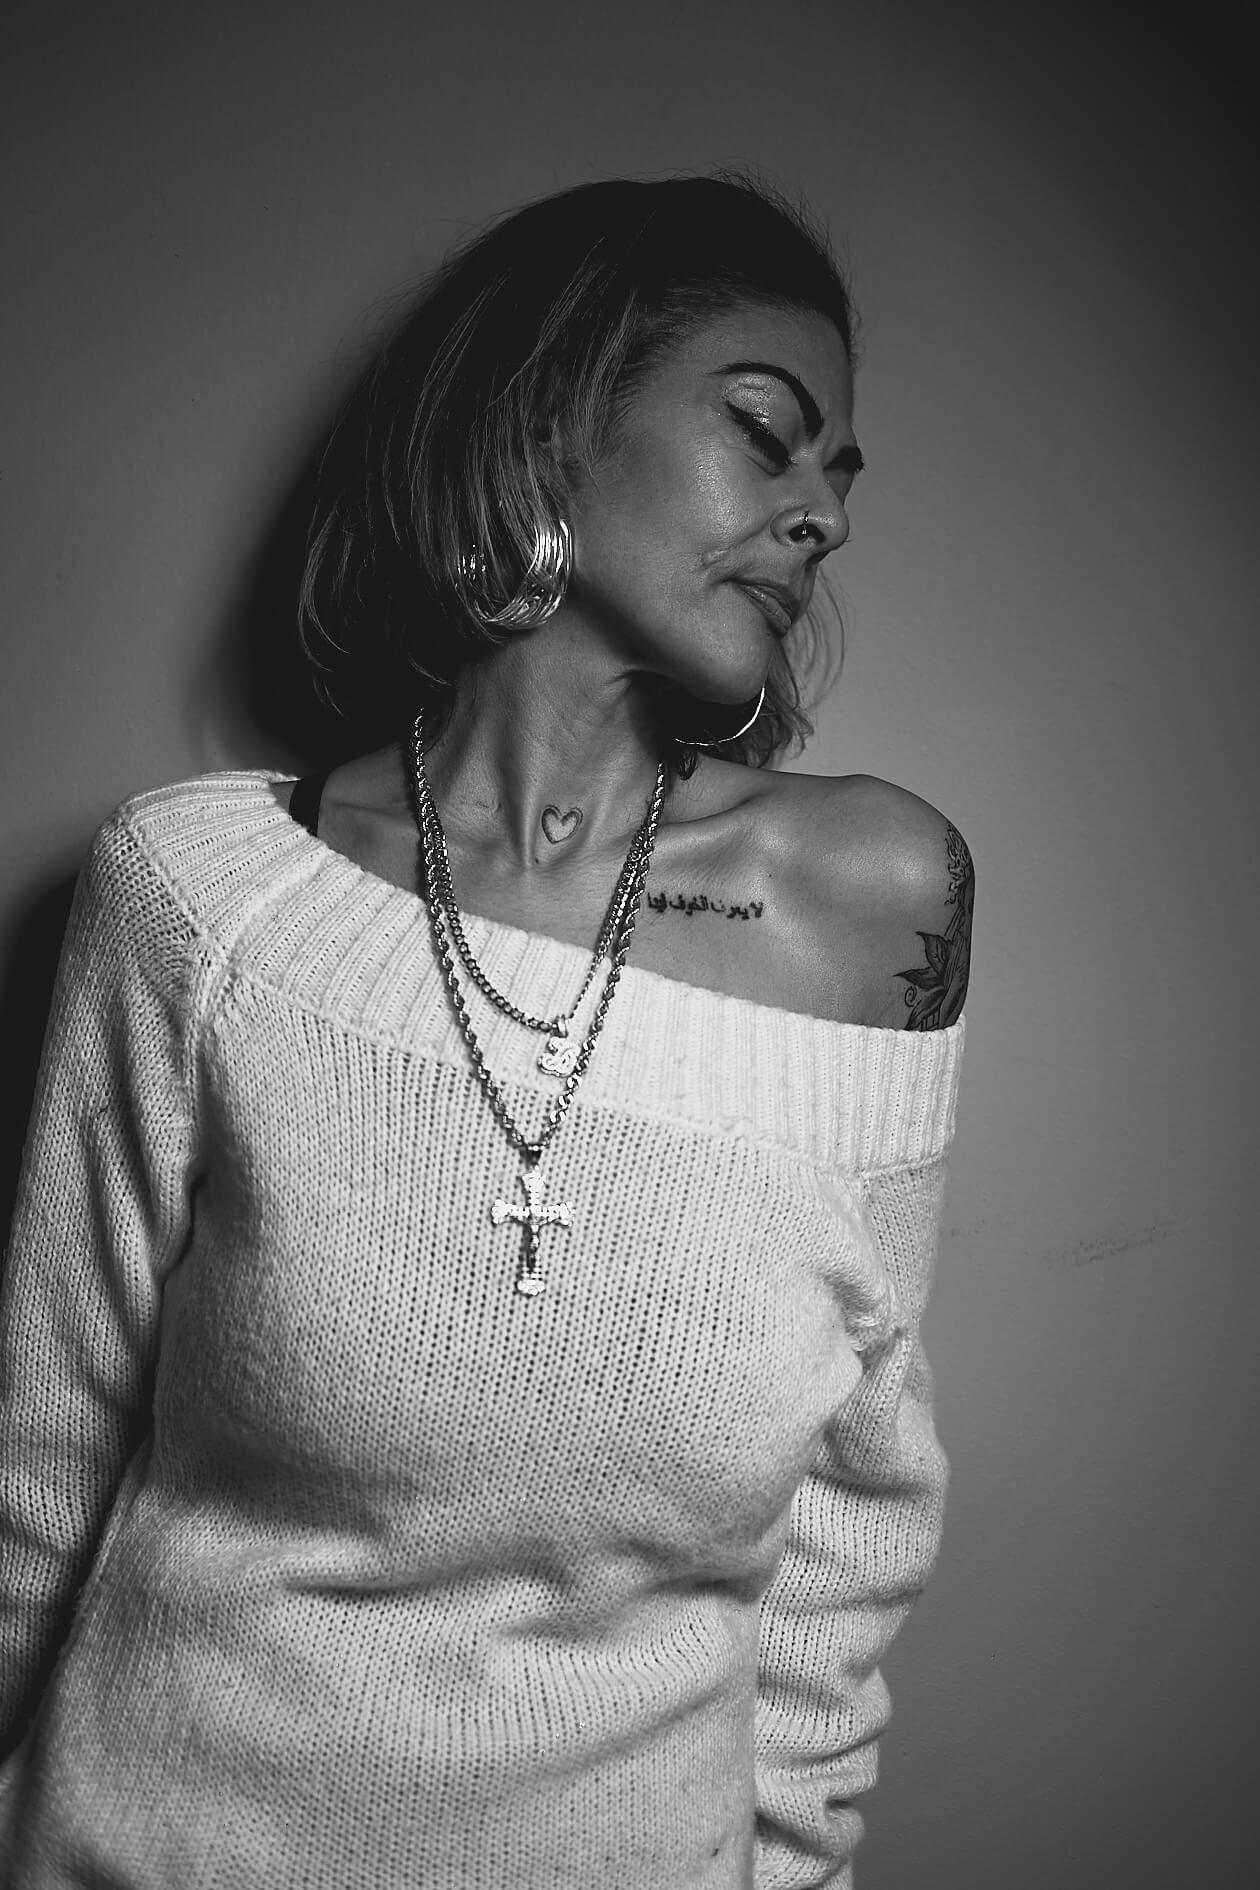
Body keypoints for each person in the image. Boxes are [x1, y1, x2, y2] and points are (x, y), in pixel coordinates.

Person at [0, 174, 973, 1888]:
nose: (819, 512)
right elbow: (43, 1461)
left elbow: (851, 1526)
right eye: (764, 434)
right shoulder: (202, 900)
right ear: (542, 425)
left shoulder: (872, 905)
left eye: (839, 477)